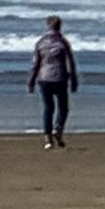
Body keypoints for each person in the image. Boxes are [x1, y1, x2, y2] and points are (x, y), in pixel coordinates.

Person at [27, 15, 78, 148]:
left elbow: (36, 64)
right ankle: (58, 129)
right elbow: (70, 62)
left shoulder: (41, 42)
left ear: (48, 26)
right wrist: (74, 79)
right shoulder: (63, 42)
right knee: (63, 108)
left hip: (44, 78)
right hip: (60, 78)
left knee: (48, 108)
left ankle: (48, 138)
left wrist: (31, 81)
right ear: (60, 26)